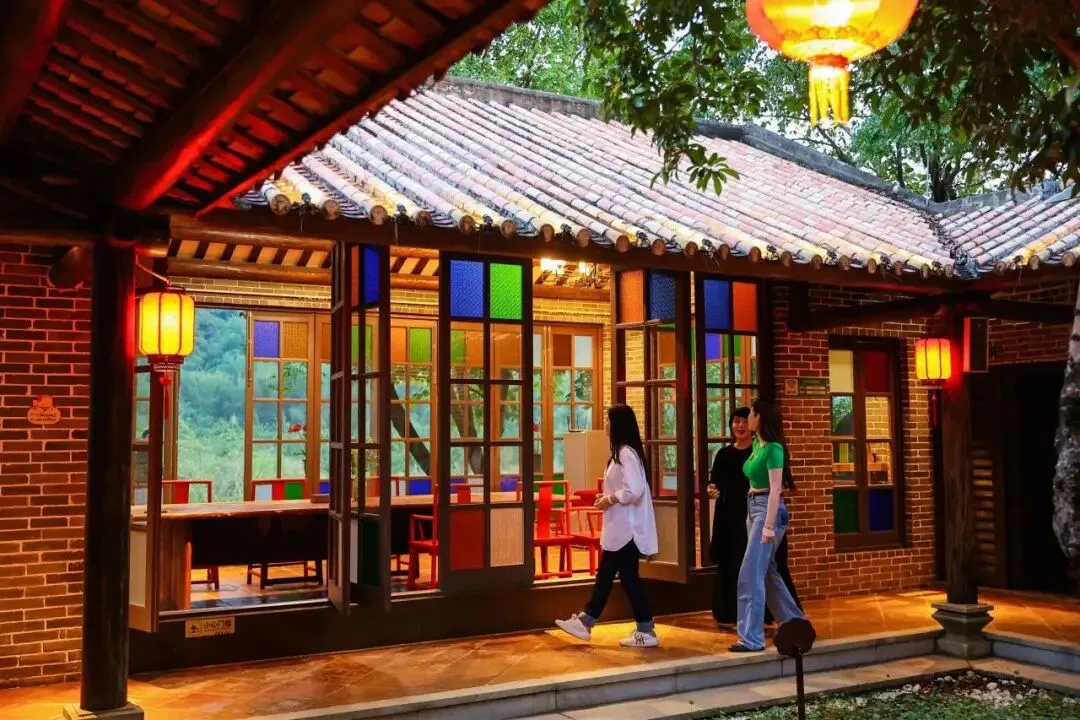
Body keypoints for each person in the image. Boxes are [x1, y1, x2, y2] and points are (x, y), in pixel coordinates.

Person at [555, 404, 660, 648]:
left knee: (628, 579)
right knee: (608, 576)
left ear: (617, 424)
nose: (605, 424)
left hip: (627, 530)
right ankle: (587, 621)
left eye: (608, 420)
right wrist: (606, 497)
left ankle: (645, 630)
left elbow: (634, 490)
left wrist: (609, 499)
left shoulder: (626, 454)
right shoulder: (620, 453)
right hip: (619, 529)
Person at [707, 408, 801, 626]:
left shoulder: (768, 449)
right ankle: (781, 621)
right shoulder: (729, 453)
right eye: (736, 421)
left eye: (747, 418)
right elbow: (716, 481)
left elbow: (776, 487)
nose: (741, 424)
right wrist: (712, 489)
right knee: (753, 569)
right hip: (736, 514)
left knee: (758, 570)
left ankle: (760, 625)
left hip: (760, 511)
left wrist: (768, 525)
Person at [730, 398, 805, 653]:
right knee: (767, 571)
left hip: (766, 511)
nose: (747, 419)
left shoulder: (774, 449)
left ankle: (751, 639)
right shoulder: (757, 445)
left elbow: (775, 490)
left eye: (751, 414)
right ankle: (796, 623)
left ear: (761, 418)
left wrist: (769, 526)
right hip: (753, 508)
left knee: (750, 575)